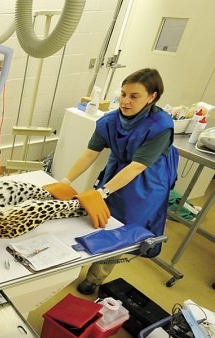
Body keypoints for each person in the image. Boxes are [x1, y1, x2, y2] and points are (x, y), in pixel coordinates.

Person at [45, 68, 178, 295]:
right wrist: (66, 181)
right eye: (123, 94)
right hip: (118, 170)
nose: (125, 101)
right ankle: (74, 260)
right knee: (96, 217)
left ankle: (96, 278)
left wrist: (102, 192)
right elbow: (90, 153)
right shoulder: (109, 121)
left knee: (122, 229)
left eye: (134, 96)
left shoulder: (160, 126)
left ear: (152, 97)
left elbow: (138, 166)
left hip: (147, 180)